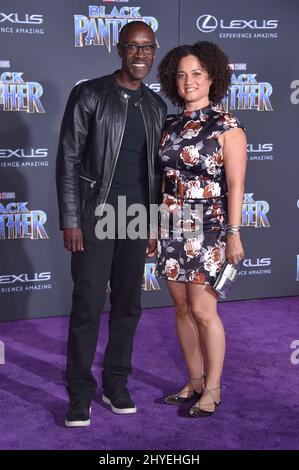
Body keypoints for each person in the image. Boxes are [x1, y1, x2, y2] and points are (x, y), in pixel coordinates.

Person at [56, 21, 167, 427]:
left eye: (147, 48)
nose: (140, 56)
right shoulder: (90, 94)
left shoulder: (156, 106)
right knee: (87, 305)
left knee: (128, 306)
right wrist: (72, 219)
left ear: (154, 53)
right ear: (120, 50)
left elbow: (155, 172)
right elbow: (67, 159)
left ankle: (116, 383)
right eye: (133, 48)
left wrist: (154, 223)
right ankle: (80, 393)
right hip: (95, 214)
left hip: (136, 218)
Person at [155, 41, 247, 417]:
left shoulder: (227, 125)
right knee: (180, 308)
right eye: (181, 75)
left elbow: (236, 185)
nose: (188, 81)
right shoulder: (171, 123)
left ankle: (213, 387)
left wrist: (234, 232)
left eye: (196, 74)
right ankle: (193, 380)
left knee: (203, 309)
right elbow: (161, 180)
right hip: (170, 221)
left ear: (212, 77)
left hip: (208, 224)